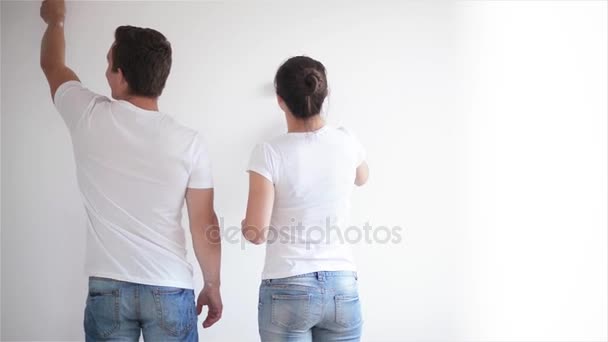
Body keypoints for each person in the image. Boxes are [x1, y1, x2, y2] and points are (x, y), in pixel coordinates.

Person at [39, 1, 222, 340]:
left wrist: (56, 20)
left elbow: (52, 64)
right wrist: (213, 284)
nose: (106, 72)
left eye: (109, 65)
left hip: (109, 290)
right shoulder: (189, 142)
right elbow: (204, 222)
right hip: (170, 287)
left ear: (121, 76)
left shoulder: (87, 115)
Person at [242, 56, 369, 342]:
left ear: (280, 100)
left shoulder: (268, 153)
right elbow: (362, 177)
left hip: (289, 285)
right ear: (325, 94)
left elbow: (255, 232)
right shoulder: (347, 140)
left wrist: (244, 224)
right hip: (341, 284)